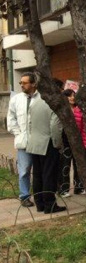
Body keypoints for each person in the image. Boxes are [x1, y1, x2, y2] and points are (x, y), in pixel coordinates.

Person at [26, 78, 65, 214]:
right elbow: (55, 126)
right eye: (61, 89)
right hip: (48, 142)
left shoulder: (35, 101)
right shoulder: (53, 103)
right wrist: (58, 144)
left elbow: (29, 123)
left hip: (34, 143)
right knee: (49, 174)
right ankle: (50, 205)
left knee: (37, 175)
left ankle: (40, 204)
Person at [6, 72, 37, 207]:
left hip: (39, 141)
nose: (21, 85)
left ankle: (42, 194)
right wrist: (17, 133)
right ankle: (24, 196)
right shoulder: (16, 99)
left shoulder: (41, 98)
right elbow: (11, 118)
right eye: (20, 83)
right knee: (24, 170)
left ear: (33, 84)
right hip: (23, 141)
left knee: (40, 170)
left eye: (24, 83)